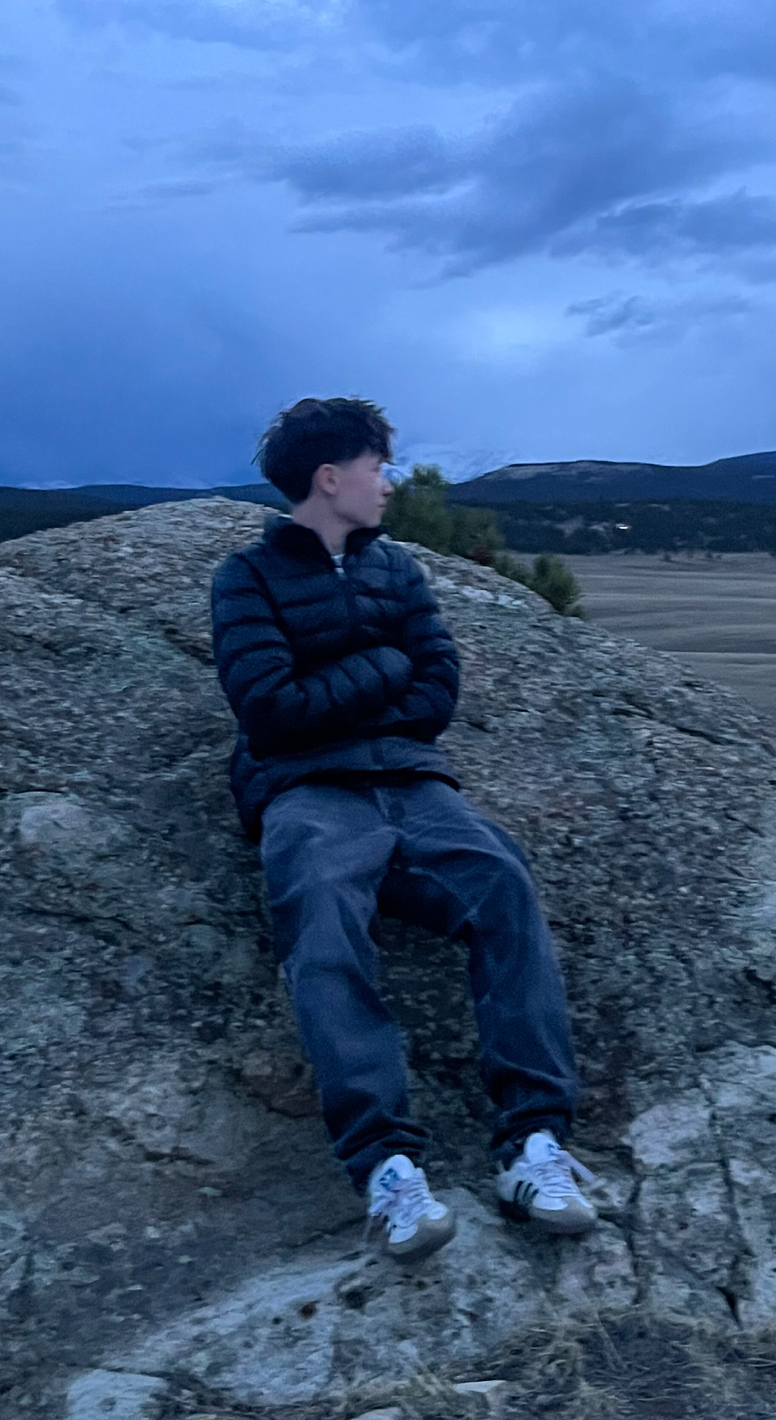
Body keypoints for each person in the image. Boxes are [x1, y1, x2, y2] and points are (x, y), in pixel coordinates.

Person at [210, 395, 599, 1265]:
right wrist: (385, 661)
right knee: (322, 924)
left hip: (416, 784)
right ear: (330, 477)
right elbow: (270, 711)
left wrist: (358, 684)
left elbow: (439, 691)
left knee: (503, 887)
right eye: (377, 467)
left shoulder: (398, 569)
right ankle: (388, 1168)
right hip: (308, 791)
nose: (388, 484)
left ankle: (533, 1147)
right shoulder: (246, 577)